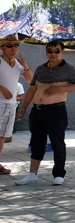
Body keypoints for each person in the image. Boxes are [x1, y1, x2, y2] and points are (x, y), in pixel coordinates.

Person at [15, 42, 75, 186]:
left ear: (62, 52)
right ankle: (32, 174)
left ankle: (58, 174)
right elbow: (32, 89)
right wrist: (24, 108)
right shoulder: (40, 68)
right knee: (36, 142)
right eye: (50, 51)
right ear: (46, 52)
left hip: (56, 111)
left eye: (57, 51)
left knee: (57, 142)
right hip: (37, 111)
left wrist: (59, 89)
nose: (53, 54)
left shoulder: (68, 69)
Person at [0, 35, 33, 176]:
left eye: (16, 45)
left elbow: (31, 79)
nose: (13, 48)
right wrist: (1, 88)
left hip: (12, 104)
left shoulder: (18, 64)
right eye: (9, 45)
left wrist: (25, 65)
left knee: (2, 136)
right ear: (2, 48)